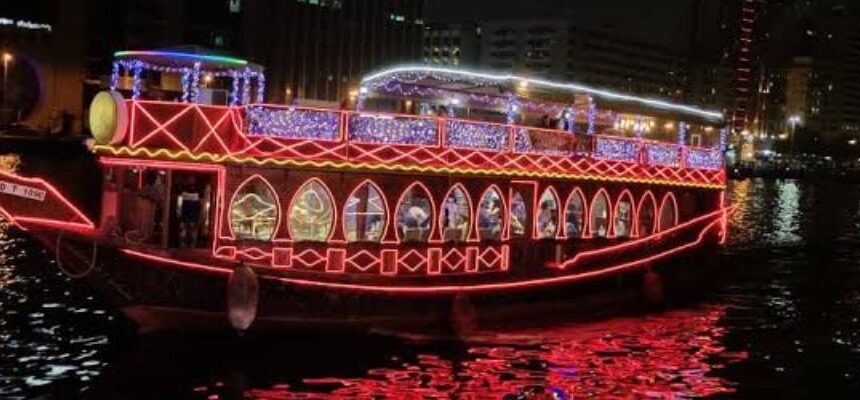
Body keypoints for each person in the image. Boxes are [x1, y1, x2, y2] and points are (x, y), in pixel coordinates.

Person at [177, 176, 202, 248]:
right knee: (188, 233)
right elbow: (179, 205)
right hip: (188, 216)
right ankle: (188, 247)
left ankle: (186, 247)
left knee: (187, 234)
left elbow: (179, 205)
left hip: (188, 216)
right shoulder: (197, 192)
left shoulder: (183, 191)